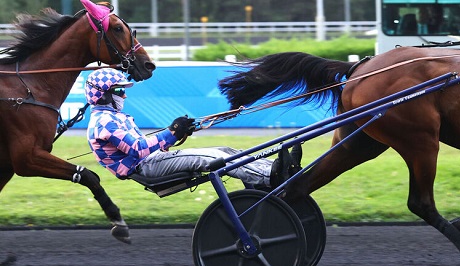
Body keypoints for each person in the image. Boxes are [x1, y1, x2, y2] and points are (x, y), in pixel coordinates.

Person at [84, 68, 300, 190]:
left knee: (225, 151)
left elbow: (142, 146)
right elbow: (138, 149)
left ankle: (276, 169)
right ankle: (269, 176)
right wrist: (171, 132)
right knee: (214, 158)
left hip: (151, 161)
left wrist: (177, 132)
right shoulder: (105, 122)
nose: (124, 95)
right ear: (102, 94)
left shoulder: (112, 117)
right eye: (119, 91)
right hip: (146, 168)